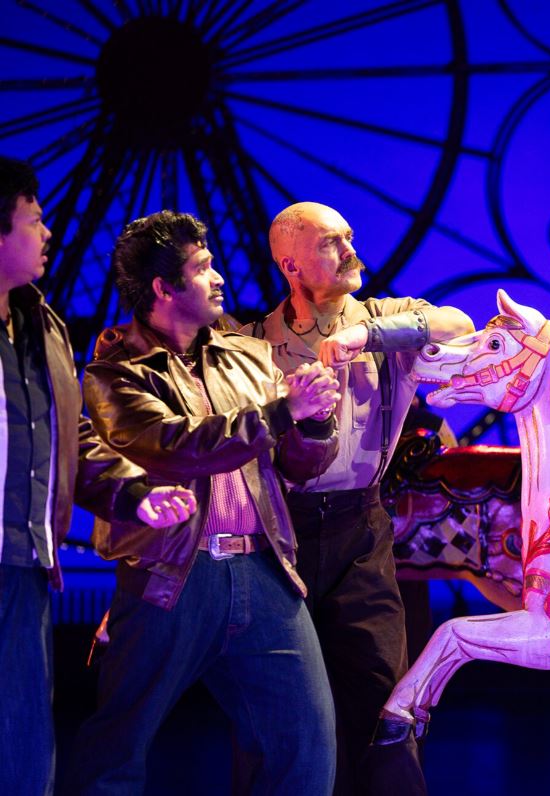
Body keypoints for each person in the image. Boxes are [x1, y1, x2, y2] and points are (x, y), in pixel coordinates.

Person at [64, 210, 343, 795]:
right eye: (201, 268)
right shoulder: (116, 374)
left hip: (262, 568)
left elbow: (294, 466)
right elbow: (178, 448)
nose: (218, 278)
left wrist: (315, 423)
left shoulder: (247, 356)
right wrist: (282, 412)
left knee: (304, 744)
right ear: (164, 288)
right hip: (170, 576)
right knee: (117, 746)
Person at [243, 201, 472, 795]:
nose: (349, 249)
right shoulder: (251, 343)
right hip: (278, 533)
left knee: (383, 697)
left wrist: (363, 334)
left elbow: (457, 323)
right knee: (278, 705)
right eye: (330, 242)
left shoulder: (383, 319)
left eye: (348, 236)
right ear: (290, 265)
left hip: (360, 528)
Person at [0, 158, 197, 796]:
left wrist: (134, 492)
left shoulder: (41, 327)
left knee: (24, 752)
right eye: (34, 220)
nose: (48, 232)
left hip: (24, 563)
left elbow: (68, 439)